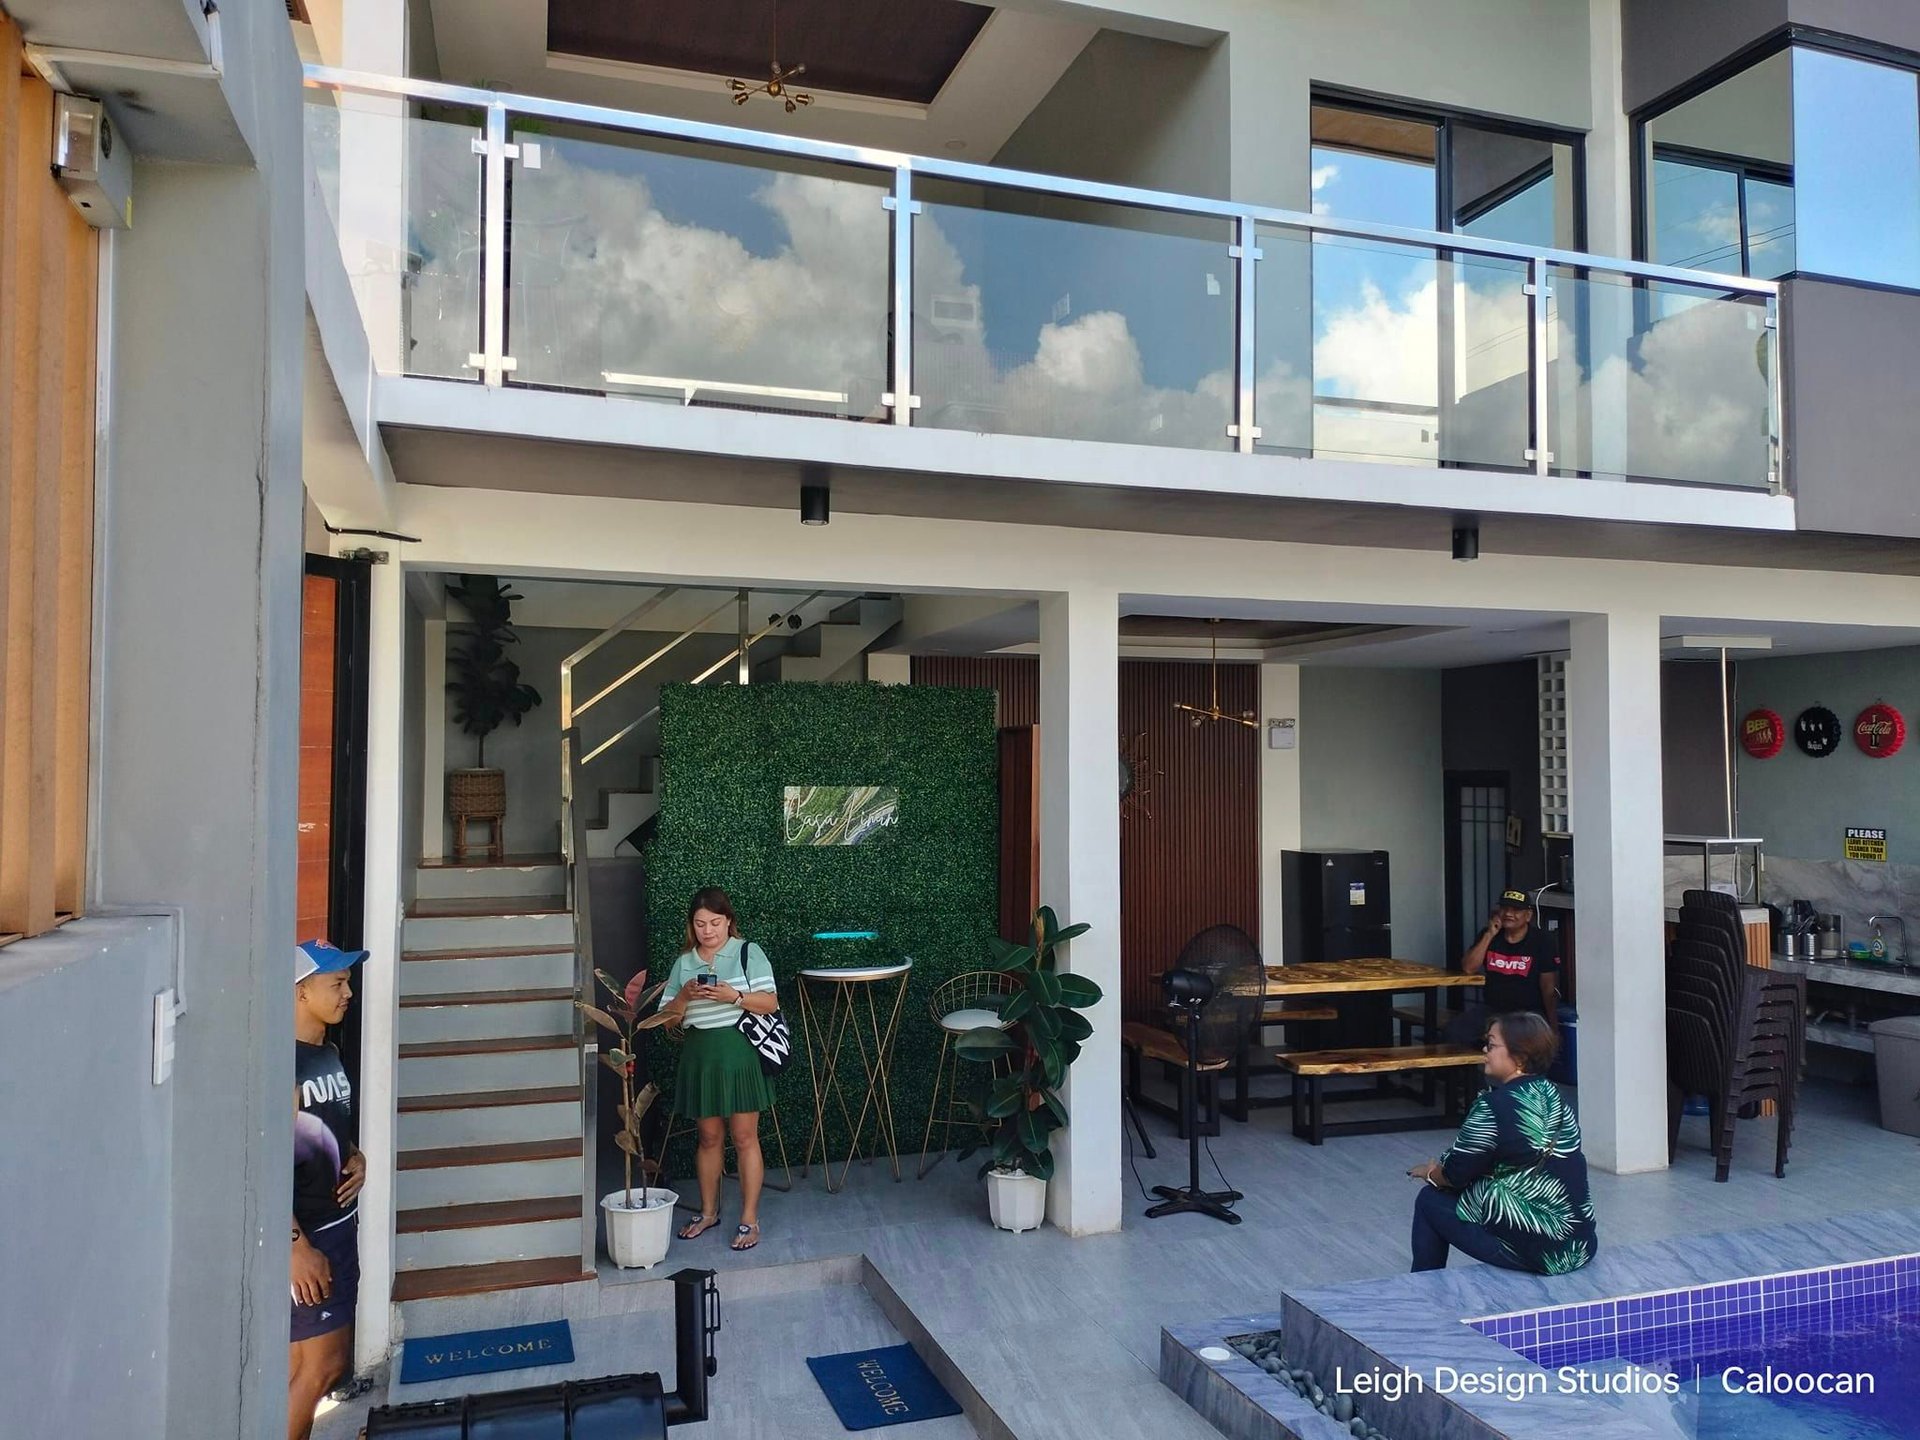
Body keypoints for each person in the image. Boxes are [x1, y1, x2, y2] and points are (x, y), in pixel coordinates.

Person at [1405, 1011, 1597, 1274]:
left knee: (1429, 1200)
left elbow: (1454, 1175)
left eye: (1492, 1045)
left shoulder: (1493, 1107)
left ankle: (1423, 1293)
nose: (1485, 1050)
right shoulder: (1554, 1096)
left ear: (1519, 1056)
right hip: (1579, 1244)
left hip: (1543, 1253)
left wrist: (1429, 1173)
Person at [656, 887, 780, 1252]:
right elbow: (667, 1021)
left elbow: (770, 1002)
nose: (707, 931)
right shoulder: (684, 963)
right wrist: (684, 996)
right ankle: (708, 1212)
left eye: (715, 922)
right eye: (700, 924)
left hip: (739, 1054)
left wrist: (734, 997)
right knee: (708, 1138)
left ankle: (749, 1219)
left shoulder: (748, 952)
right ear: (691, 926)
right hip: (700, 1056)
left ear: (729, 921)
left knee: (744, 1138)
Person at [289, 939, 369, 1440]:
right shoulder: (284, 1065)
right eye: (336, 984)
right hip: (311, 1238)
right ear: (300, 993)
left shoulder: (329, 1052)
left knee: (303, 1367)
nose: (348, 993)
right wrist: (296, 1248)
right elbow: (265, 1163)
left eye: (348, 982)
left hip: (336, 1229)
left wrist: (355, 1155)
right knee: (325, 1366)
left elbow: (327, 1129)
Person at [1447, 888, 1560, 1046]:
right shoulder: (1489, 936)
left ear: (1528, 915)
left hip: (1526, 1014)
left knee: (1516, 1043)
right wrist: (1489, 934)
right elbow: (1468, 968)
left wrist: (1552, 1025)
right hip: (1493, 1010)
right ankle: (1472, 1070)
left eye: (1516, 910)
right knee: (1455, 1032)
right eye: (1505, 908)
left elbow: (1548, 987)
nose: (1509, 913)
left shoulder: (1541, 941)